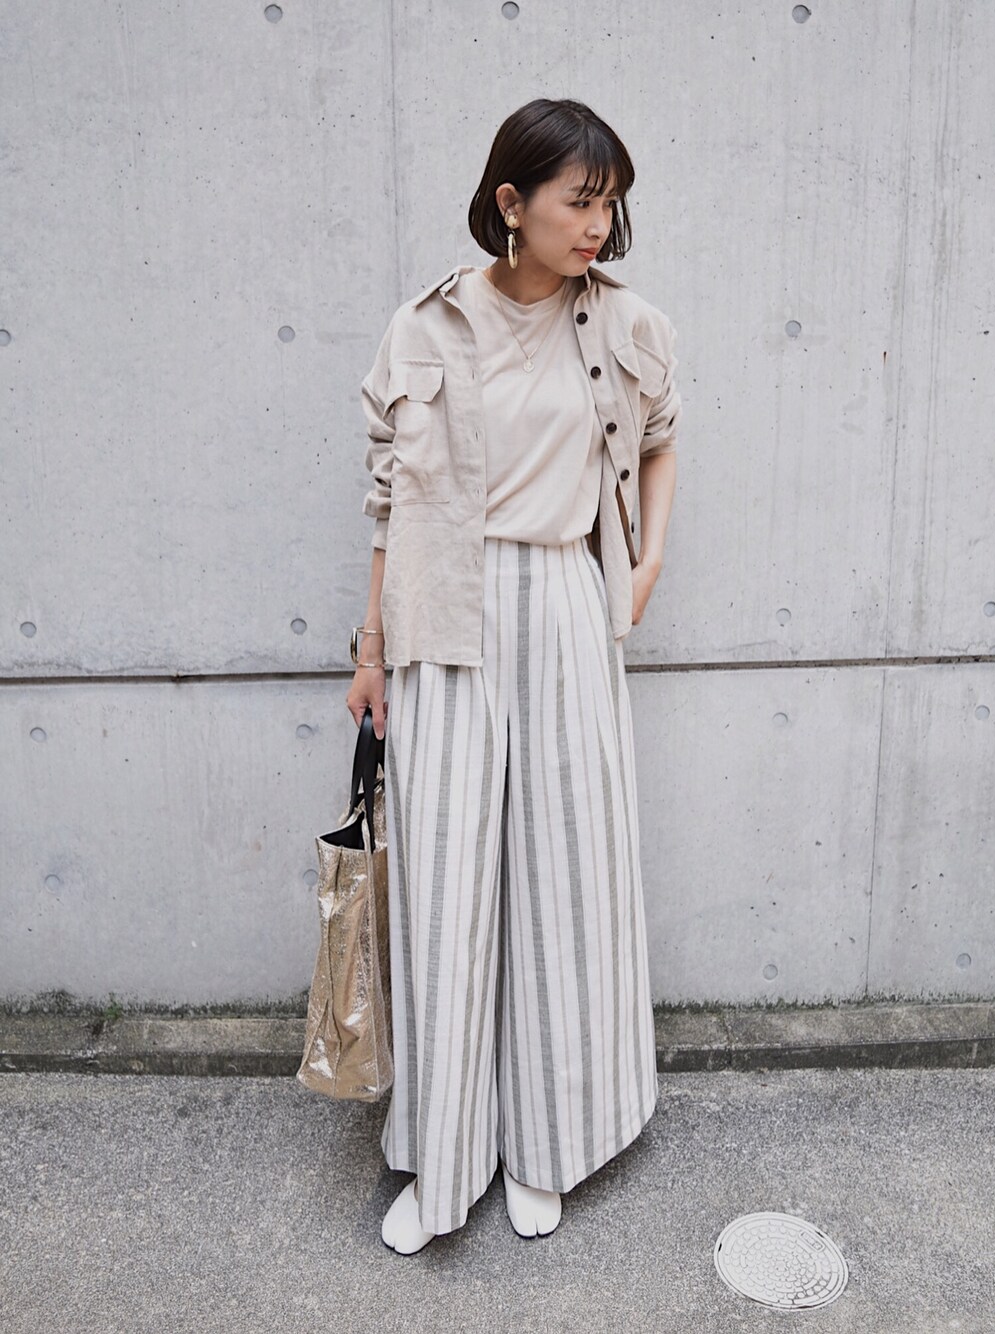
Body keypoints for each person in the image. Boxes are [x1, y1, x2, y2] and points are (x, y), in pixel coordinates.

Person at [345, 97, 681, 1254]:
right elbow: (388, 501)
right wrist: (371, 647)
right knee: (446, 889)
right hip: (444, 611)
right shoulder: (423, 327)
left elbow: (658, 439)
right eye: (578, 201)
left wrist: (643, 564)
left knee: (565, 879)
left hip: (563, 601)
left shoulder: (628, 323)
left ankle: (548, 1142)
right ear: (510, 202)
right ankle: (444, 1158)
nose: (597, 224)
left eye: (607, 204)